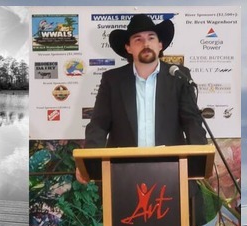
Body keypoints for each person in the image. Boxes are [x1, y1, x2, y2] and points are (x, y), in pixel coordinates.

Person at [76, 14, 206, 183]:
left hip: (172, 170)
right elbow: (99, 124)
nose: (146, 44)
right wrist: (89, 161)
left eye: (151, 38)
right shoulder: (112, 80)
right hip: (123, 173)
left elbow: (192, 122)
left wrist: (200, 159)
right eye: (138, 39)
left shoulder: (179, 77)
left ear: (160, 45)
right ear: (128, 48)